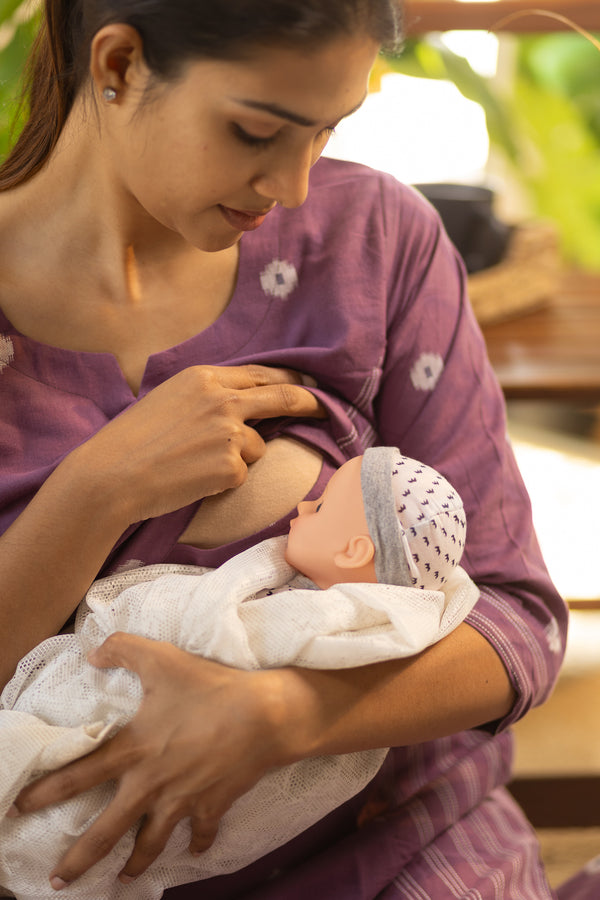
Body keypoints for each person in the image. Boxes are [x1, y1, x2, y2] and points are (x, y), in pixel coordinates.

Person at [0, 1, 567, 898]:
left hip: (407, 852)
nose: (294, 187)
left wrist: (285, 714)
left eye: (328, 131)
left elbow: (518, 620)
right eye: (255, 130)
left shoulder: (375, 240)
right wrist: (94, 490)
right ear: (116, 66)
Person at [0, 449, 479, 899]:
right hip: (140, 708)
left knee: (66, 802)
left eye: (324, 504)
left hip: (213, 746)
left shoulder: (335, 622)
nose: (307, 504)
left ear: (355, 551)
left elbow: (237, 642)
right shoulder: (306, 593)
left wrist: (185, 633)